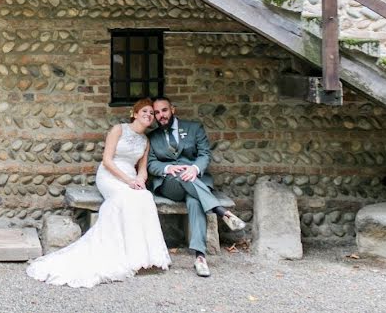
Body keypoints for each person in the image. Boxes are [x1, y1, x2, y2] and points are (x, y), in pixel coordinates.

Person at [26, 99, 171, 288]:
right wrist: (128, 181)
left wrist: (140, 181)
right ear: (134, 114)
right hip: (110, 175)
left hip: (131, 177)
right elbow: (107, 160)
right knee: (125, 198)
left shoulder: (145, 141)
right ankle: (119, 252)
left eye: (152, 113)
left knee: (144, 197)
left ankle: (141, 256)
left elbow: (143, 168)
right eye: (145, 111)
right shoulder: (119, 129)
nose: (149, 115)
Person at [147, 97, 246, 278]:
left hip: (194, 181)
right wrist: (168, 168)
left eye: (164, 110)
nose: (161, 115)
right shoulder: (152, 137)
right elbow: (151, 163)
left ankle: (200, 258)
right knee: (181, 176)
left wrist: (194, 168)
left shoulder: (194, 128)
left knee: (195, 201)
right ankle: (223, 212)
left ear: (172, 109)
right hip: (169, 185)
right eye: (157, 113)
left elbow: (204, 154)